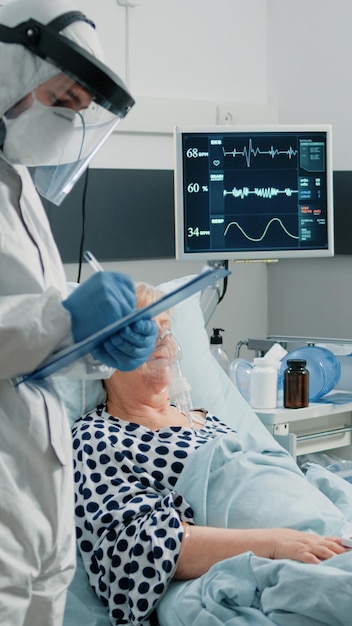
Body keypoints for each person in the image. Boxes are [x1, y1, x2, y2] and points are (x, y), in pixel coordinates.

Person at [0, 1, 158, 624]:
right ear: (11, 70)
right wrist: (68, 315)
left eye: (81, 110)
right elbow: (41, 319)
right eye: (61, 100)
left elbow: (31, 338)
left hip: (44, 514)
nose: (68, 122)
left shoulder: (19, 188)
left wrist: (103, 345)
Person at [72, 283, 348, 626]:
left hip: (317, 526)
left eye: (167, 329)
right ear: (106, 356)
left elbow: (267, 476)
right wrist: (275, 544)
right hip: (273, 553)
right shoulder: (96, 436)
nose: (163, 342)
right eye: (144, 330)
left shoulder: (206, 418)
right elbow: (132, 550)